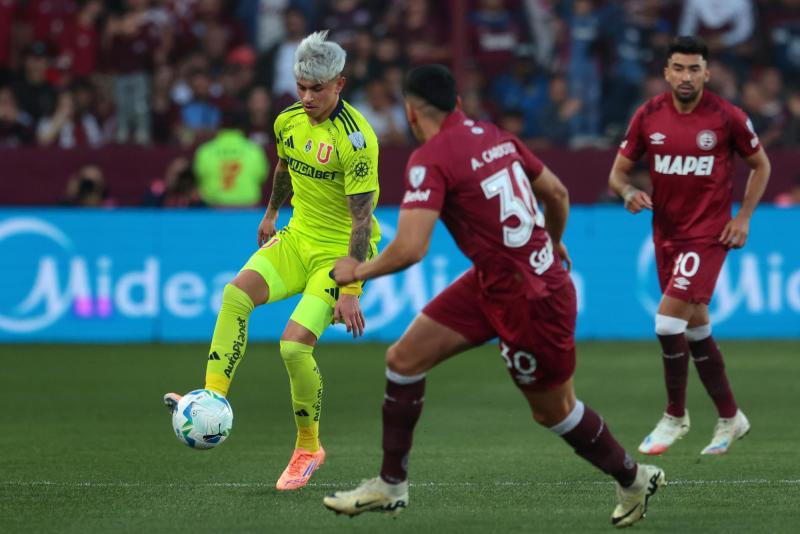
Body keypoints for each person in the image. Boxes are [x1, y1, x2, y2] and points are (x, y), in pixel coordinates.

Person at [323, 64, 663, 528]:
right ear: (457, 104)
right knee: (403, 360)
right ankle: (390, 485)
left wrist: (356, 271)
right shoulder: (495, 135)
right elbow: (558, 193)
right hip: (493, 280)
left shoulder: (430, 159)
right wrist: (551, 238)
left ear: (410, 112)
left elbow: (411, 249)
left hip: (531, 299)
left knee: (554, 411)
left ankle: (633, 477)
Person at [163, 30, 382, 491]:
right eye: (300, 86)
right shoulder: (287, 120)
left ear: (339, 84)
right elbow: (286, 165)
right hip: (297, 237)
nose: (306, 97)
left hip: (339, 253)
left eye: (316, 89)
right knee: (235, 294)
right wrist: (270, 213)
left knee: (293, 347)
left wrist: (351, 289)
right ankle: (209, 401)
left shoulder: (357, 141)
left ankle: (308, 447)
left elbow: (362, 219)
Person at [608, 36, 770, 456]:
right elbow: (618, 174)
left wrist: (743, 217)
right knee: (697, 329)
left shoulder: (726, 116)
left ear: (707, 73)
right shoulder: (648, 115)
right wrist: (627, 193)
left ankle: (675, 415)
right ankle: (732, 417)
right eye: (678, 68)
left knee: (666, 325)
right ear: (666, 72)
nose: (686, 76)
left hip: (709, 234)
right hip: (666, 236)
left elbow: (761, 164)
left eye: (694, 68)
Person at [193, 116, 269, 207]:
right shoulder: (255, 150)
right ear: (242, 129)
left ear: (218, 128)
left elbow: (199, 177)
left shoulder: (205, 151)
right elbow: (262, 177)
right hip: (248, 210)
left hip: (214, 210)